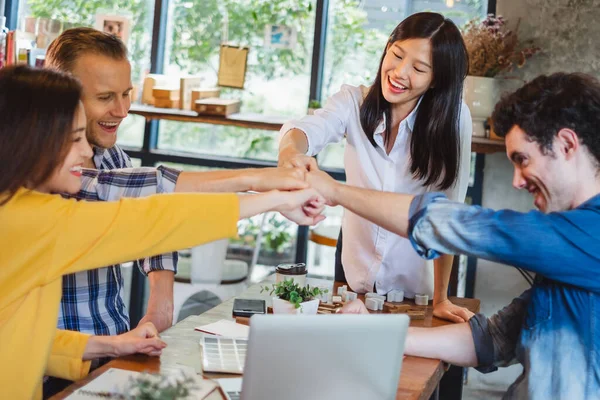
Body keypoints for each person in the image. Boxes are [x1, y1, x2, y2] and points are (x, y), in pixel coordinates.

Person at [0, 65, 325, 399]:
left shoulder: (22, 211)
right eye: (74, 139)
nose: (86, 151)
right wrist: (269, 199)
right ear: (31, 140)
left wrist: (111, 345)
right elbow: (150, 220)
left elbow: (16, 331)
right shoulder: (31, 221)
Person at [311, 72, 600, 399]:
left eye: (522, 160)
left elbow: (464, 226)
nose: (517, 181)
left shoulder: (590, 237)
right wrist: (375, 331)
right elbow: (492, 341)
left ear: (566, 144)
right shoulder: (569, 255)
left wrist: (334, 191)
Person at [44, 27, 309, 341]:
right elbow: (139, 190)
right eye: (105, 98)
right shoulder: (42, 175)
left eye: (126, 93)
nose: (123, 110)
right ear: (62, 98)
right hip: (53, 359)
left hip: (113, 338)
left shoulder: (111, 155)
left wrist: (161, 297)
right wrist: (265, 184)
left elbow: (153, 217)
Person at [278, 12, 474, 322]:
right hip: (354, 276)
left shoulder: (453, 120)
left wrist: (441, 298)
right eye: (395, 55)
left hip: (413, 288)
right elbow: (307, 130)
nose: (399, 72)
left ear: (437, 80)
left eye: (419, 68)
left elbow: (448, 211)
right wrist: (290, 150)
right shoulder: (353, 102)